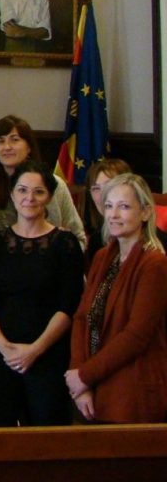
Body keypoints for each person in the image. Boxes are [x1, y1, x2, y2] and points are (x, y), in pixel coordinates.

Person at [0, 161, 83, 426]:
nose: (29, 198)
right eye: (22, 190)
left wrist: (34, 350)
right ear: (12, 195)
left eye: (38, 192)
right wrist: (4, 348)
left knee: (47, 436)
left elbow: (68, 305)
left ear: (49, 197)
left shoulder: (65, 244)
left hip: (48, 355)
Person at [66, 173, 167, 423]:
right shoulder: (102, 256)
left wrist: (85, 375)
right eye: (109, 206)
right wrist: (78, 376)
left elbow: (137, 335)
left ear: (145, 212)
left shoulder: (154, 263)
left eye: (124, 207)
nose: (113, 215)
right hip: (92, 384)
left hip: (132, 386)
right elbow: (81, 318)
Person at [0, 115, 86, 248]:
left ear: (29, 147)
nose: (7, 147)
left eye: (14, 140)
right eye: (0, 141)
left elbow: (79, 238)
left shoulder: (56, 184)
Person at [82, 158, 136, 264]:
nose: (103, 195)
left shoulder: (153, 244)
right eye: (96, 188)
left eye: (109, 186)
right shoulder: (96, 241)